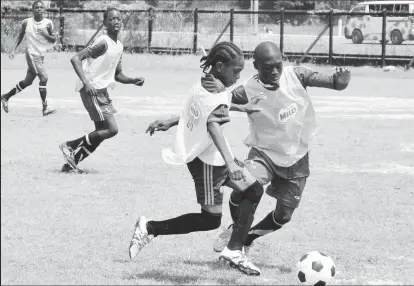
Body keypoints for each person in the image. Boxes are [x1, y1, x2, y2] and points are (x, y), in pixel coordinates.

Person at [146, 41, 351, 255]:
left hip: (297, 157)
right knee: (245, 190)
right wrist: (172, 121)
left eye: (278, 65)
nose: (274, 71)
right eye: (268, 67)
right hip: (265, 154)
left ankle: (247, 237)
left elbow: (334, 82)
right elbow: (213, 107)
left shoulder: (297, 75)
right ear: (256, 66)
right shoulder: (247, 89)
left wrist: (341, 82)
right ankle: (236, 236)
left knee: (284, 216)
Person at [129, 42, 265, 276]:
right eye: (236, 71)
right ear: (220, 66)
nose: (239, 76)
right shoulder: (215, 90)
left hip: (214, 158)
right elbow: (213, 123)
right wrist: (231, 163)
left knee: (253, 190)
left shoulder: (208, 82)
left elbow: (207, 106)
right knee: (210, 220)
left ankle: (234, 249)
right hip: (207, 163)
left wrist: (244, 107)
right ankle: (150, 228)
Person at [58, 7, 145, 173]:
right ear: (105, 23)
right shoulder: (103, 42)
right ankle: (69, 145)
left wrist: (133, 80)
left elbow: (117, 75)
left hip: (102, 90)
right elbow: (75, 58)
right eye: (111, 19)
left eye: (118, 18)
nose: (116, 21)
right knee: (112, 129)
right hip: (91, 90)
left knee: (100, 133)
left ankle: (71, 164)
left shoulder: (118, 46)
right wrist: (86, 83)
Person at [1, 0, 57, 116]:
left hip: (41, 55)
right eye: (36, 7)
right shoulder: (26, 22)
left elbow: (54, 39)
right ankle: (45, 108)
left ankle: (6, 97)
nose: (39, 9)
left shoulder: (48, 23)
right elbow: (20, 36)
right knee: (44, 77)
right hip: (31, 54)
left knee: (28, 82)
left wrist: (46, 35)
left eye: (41, 7)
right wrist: (13, 50)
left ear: (44, 10)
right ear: (32, 10)